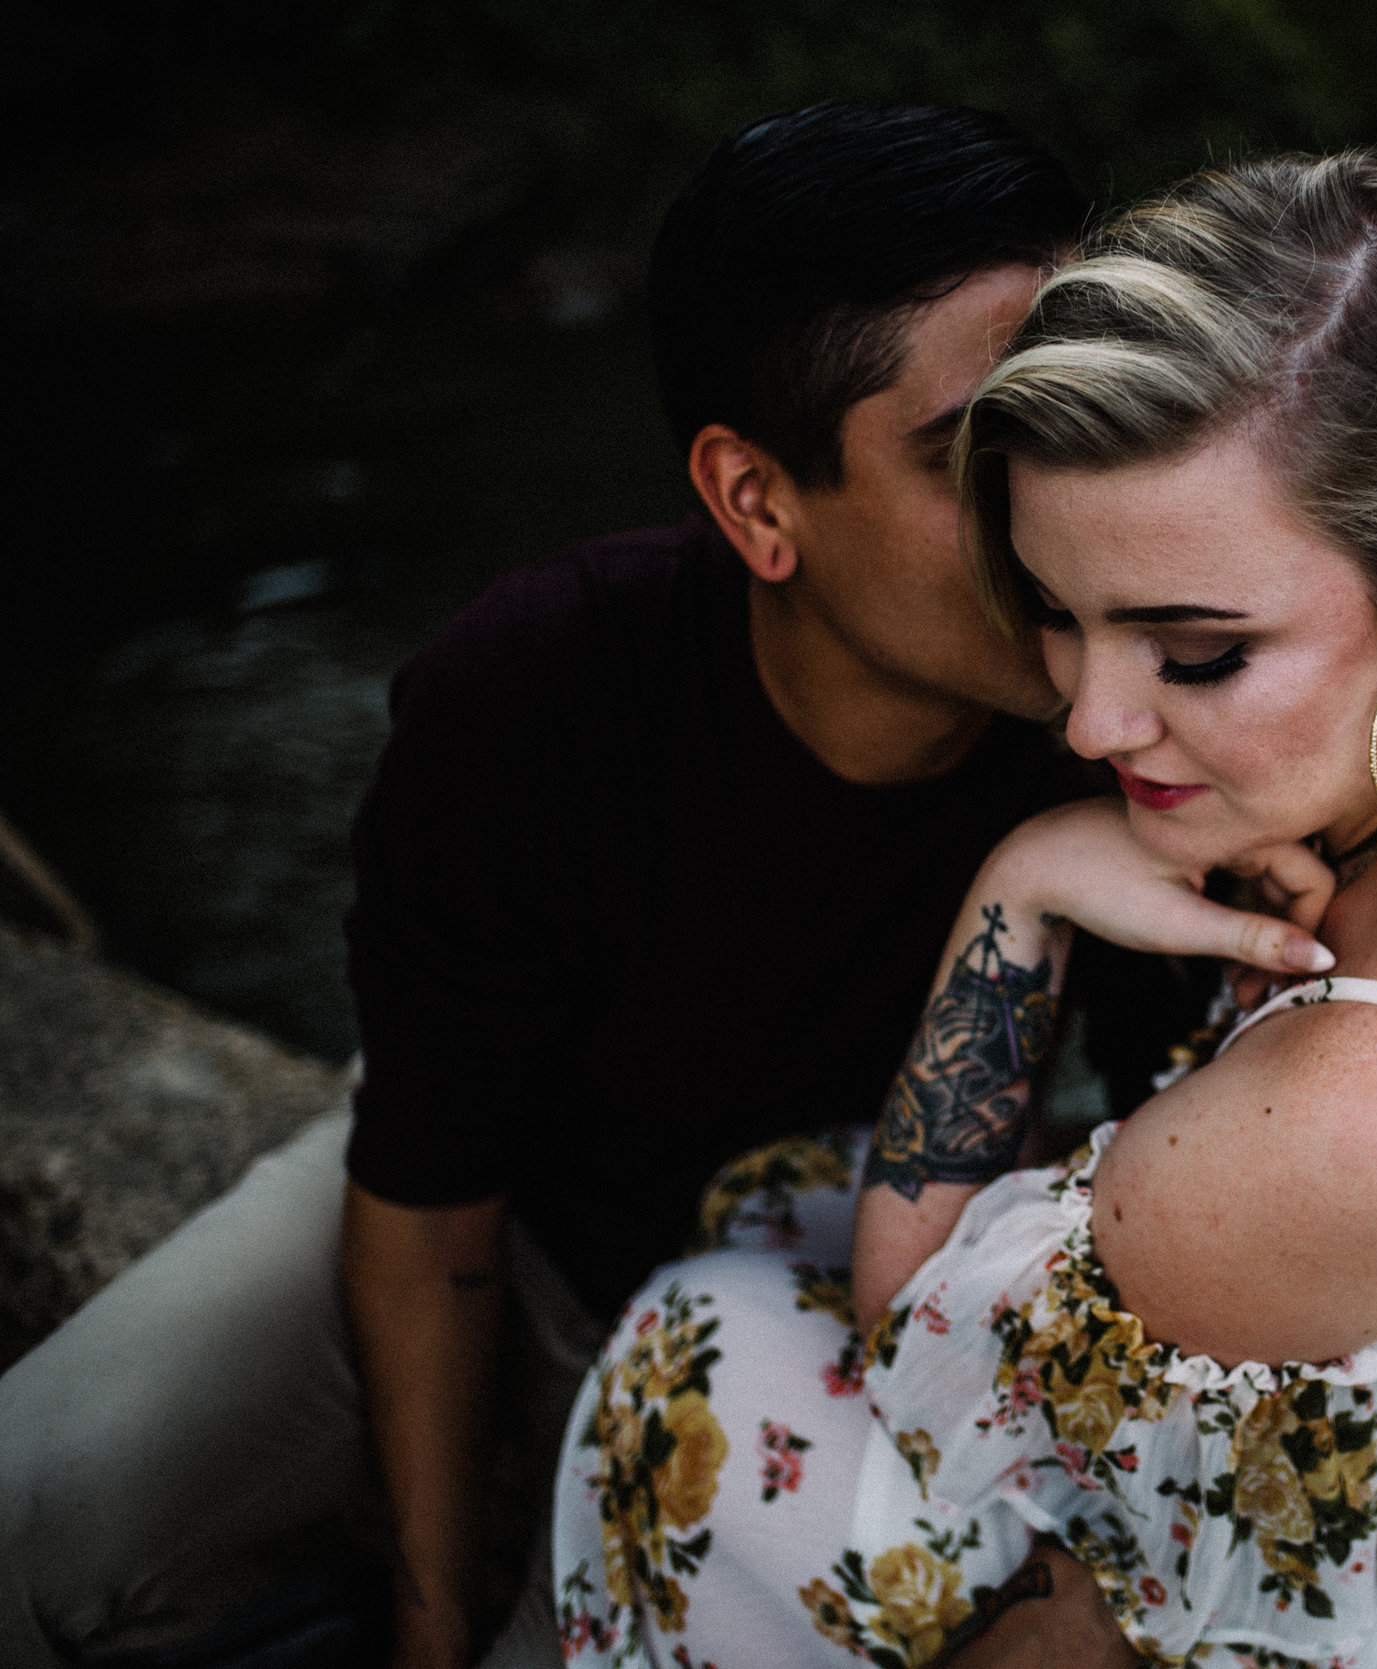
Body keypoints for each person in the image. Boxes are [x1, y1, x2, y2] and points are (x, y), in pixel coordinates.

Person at [551, 151, 1377, 1669]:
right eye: (1057, 614)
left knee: (700, 1360)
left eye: (1193, 656)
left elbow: (917, 1315)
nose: (1090, 723)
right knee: (785, 1193)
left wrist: (1028, 885)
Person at [0, 102, 1289, 1669]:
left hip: (850, 1305)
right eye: (976, 452)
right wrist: (426, 1610)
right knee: (36, 1514)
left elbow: (1222, 1164)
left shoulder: (1142, 707)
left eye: (1085, 409)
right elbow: (426, 1207)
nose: (1067, 500)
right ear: (757, 502)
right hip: (505, 1218)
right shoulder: (537, 694)